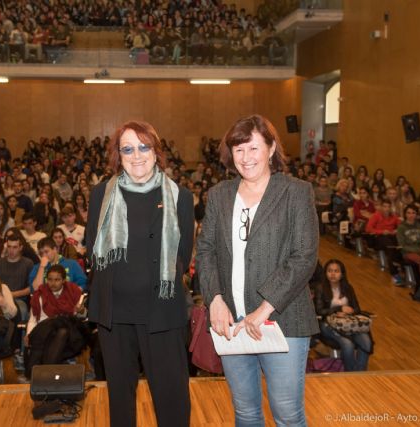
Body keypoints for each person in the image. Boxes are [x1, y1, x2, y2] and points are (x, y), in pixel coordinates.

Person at [195, 114, 319, 427]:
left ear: (271, 148)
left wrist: (265, 308)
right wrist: (215, 299)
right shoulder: (220, 195)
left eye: (253, 148)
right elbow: (206, 250)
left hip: (282, 320)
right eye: (239, 150)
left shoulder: (296, 191)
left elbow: (304, 256)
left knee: (287, 415)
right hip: (232, 323)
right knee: (246, 413)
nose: (246, 157)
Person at [86, 120, 194, 427]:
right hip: (114, 314)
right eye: (128, 149)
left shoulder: (180, 196)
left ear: (156, 151)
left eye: (144, 147)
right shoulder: (100, 195)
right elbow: (93, 247)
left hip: (162, 312)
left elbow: (183, 255)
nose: (137, 155)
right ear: (118, 155)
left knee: (172, 399)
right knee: (120, 400)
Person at [24, 265, 87, 378]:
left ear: (64, 280)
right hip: (43, 332)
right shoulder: (40, 293)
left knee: (63, 331)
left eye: (57, 280)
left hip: (70, 335)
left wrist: (81, 310)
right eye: (50, 279)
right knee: (58, 332)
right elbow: (33, 319)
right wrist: (28, 334)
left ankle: (46, 372)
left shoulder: (73, 291)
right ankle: (49, 371)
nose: (53, 283)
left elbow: (81, 317)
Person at [315, 259, 373, 372]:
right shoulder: (320, 288)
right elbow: (319, 311)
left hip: (348, 323)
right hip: (328, 324)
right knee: (348, 344)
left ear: (342, 274)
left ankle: (359, 373)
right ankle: (350, 374)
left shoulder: (348, 288)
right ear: (325, 273)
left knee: (366, 342)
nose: (332, 274)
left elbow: (357, 309)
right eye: (329, 271)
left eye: (336, 271)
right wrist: (338, 309)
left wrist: (349, 311)